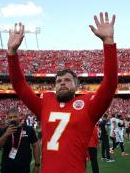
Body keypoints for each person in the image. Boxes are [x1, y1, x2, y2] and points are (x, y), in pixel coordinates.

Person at [7, 12, 118, 172]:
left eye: (67, 80)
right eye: (58, 81)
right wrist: (11, 53)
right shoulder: (45, 104)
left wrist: (108, 42)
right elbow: (20, 85)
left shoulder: (88, 107)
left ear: (76, 85)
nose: (62, 83)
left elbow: (110, 85)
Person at [0, 108, 40, 173]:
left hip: (24, 168)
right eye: (10, 117)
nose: (13, 119)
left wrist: (37, 165)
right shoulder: (3, 130)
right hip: (7, 168)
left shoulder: (28, 129)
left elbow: (35, 146)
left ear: (19, 116)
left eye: (15, 116)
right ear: (8, 118)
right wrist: (6, 134)